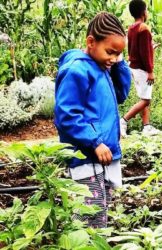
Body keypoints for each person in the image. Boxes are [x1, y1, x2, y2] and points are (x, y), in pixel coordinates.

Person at [54, 12, 131, 228]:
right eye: (111, 52)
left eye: (119, 54)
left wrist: (119, 64)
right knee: (89, 219)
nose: (114, 58)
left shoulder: (102, 66)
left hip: (101, 157)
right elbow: (66, 115)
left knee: (100, 214)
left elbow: (121, 94)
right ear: (90, 42)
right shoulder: (77, 70)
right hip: (86, 158)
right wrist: (95, 142)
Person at [120, 0, 159, 137]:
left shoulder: (131, 28)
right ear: (143, 12)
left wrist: (151, 47)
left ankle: (146, 126)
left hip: (134, 67)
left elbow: (135, 49)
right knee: (146, 100)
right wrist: (151, 71)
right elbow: (145, 53)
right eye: (146, 10)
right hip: (142, 69)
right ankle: (123, 121)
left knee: (145, 96)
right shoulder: (144, 28)